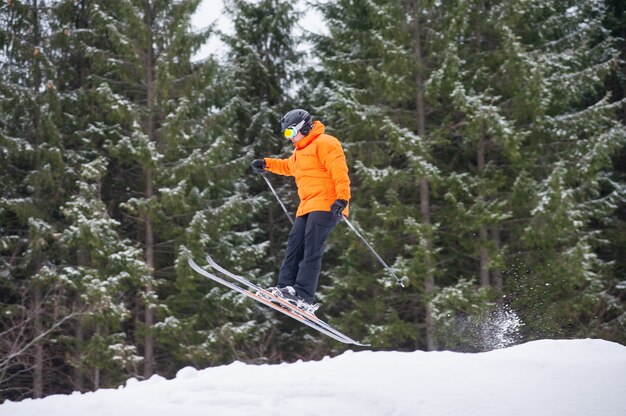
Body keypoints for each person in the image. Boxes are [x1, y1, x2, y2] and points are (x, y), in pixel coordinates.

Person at [250, 109, 350, 314]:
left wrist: (342, 198)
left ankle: (303, 295)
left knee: (311, 249)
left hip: (327, 205)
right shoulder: (299, 152)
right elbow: (288, 167)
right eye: (286, 134)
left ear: (304, 126)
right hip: (307, 206)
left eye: (291, 132)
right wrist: (267, 164)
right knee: (294, 246)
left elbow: (340, 172)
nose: (290, 137)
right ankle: (284, 290)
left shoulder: (326, 143)